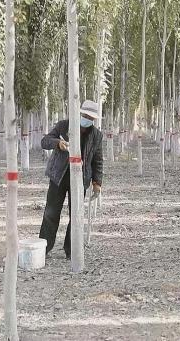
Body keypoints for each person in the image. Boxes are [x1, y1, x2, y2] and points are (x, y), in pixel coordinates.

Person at [39, 100, 104, 258]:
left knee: (76, 215)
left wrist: (97, 183)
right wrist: (58, 143)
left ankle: (71, 250)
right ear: (79, 113)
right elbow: (44, 142)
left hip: (80, 179)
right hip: (58, 177)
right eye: (85, 115)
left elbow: (98, 160)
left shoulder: (96, 135)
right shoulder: (63, 126)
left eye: (90, 117)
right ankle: (44, 248)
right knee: (51, 213)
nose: (87, 119)